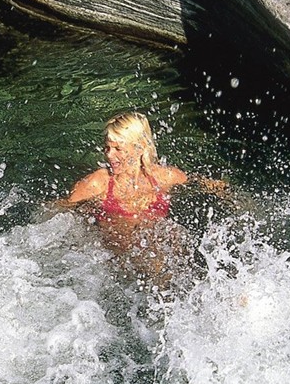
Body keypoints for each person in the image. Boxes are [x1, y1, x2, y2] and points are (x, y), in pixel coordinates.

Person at [61, 112, 225, 290]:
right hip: (121, 267)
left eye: (118, 149)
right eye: (107, 148)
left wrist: (234, 196)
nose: (109, 155)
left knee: (174, 237)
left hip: (160, 258)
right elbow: (61, 210)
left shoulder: (165, 177)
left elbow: (200, 184)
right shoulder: (97, 183)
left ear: (140, 147)